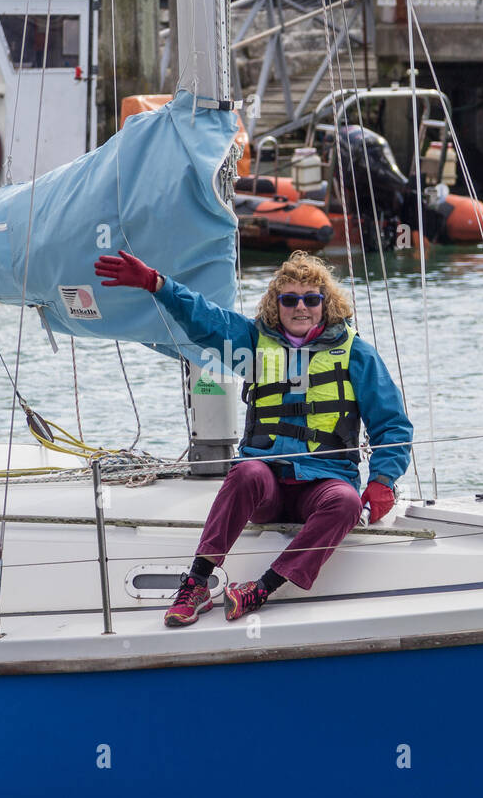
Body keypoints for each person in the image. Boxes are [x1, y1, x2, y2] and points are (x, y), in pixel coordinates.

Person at [95, 249, 412, 627]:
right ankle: (196, 583)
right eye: (289, 299)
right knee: (246, 473)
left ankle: (260, 589)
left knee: (344, 502)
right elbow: (205, 319)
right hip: (268, 485)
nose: (301, 308)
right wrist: (157, 285)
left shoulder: (355, 353)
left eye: (311, 299)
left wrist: (382, 480)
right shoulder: (252, 344)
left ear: (326, 304)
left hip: (324, 482)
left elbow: (392, 425)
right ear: (275, 305)